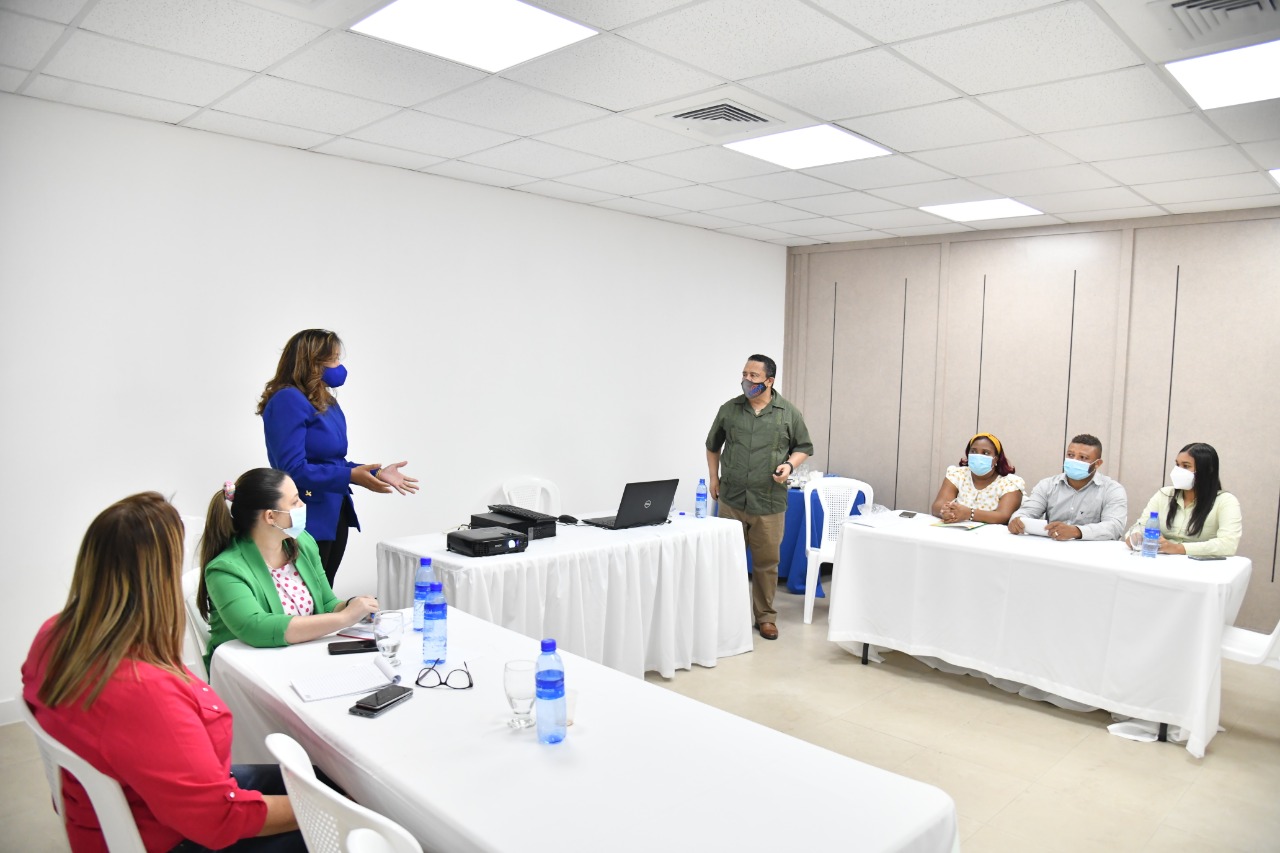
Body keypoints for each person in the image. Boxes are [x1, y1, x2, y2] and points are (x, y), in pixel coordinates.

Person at [21, 492, 305, 853]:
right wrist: (332, 809)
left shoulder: (54, 634)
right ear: (159, 579)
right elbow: (220, 819)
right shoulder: (143, 692)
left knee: (319, 778)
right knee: (346, 807)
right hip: (167, 836)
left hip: (118, 808)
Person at [259, 329, 418, 585]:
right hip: (307, 516)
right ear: (311, 362)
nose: (338, 366)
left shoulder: (325, 401)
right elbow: (291, 469)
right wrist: (349, 476)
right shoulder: (288, 400)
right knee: (307, 596)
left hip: (335, 510)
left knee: (325, 591)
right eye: (332, 359)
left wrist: (376, 472)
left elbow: (334, 461)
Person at [199, 467, 379, 673]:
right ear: (270, 516)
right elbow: (257, 628)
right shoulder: (225, 569)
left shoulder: (302, 543)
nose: (303, 505)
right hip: (247, 672)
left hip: (300, 660)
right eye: (295, 502)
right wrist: (344, 618)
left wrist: (352, 606)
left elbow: (326, 603)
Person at [706, 354, 813, 641]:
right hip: (731, 499)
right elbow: (712, 445)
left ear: (769, 380)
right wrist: (714, 478)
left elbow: (803, 446)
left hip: (768, 502)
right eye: (745, 374)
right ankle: (725, 616)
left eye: (753, 376)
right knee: (726, 561)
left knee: (766, 564)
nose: (747, 380)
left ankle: (765, 617)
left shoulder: (787, 413)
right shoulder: (729, 410)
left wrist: (789, 465)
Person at [1126, 442, 1242, 556]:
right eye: (1177, 465)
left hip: (1200, 565)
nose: (1178, 471)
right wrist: (1135, 537)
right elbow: (1139, 527)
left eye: (1186, 466)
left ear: (1206, 470)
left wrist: (1178, 548)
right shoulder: (1164, 494)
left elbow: (1228, 545)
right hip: (1161, 560)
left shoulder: (1226, 501)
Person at [1009, 433, 1128, 541]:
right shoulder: (1047, 485)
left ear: (1097, 464)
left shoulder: (1112, 490)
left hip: (1092, 553)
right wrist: (1017, 520)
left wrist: (1077, 531)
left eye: (1083, 457)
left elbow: (1114, 527)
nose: (1074, 460)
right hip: (1052, 547)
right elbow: (1026, 512)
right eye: (1070, 455)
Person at [931, 432, 1024, 524]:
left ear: (996, 459)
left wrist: (969, 513)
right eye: (973, 451)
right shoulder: (957, 475)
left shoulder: (1010, 483)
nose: (978, 456)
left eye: (986, 453)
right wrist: (946, 511)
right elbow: (937, 506)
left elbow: (1003, 516)